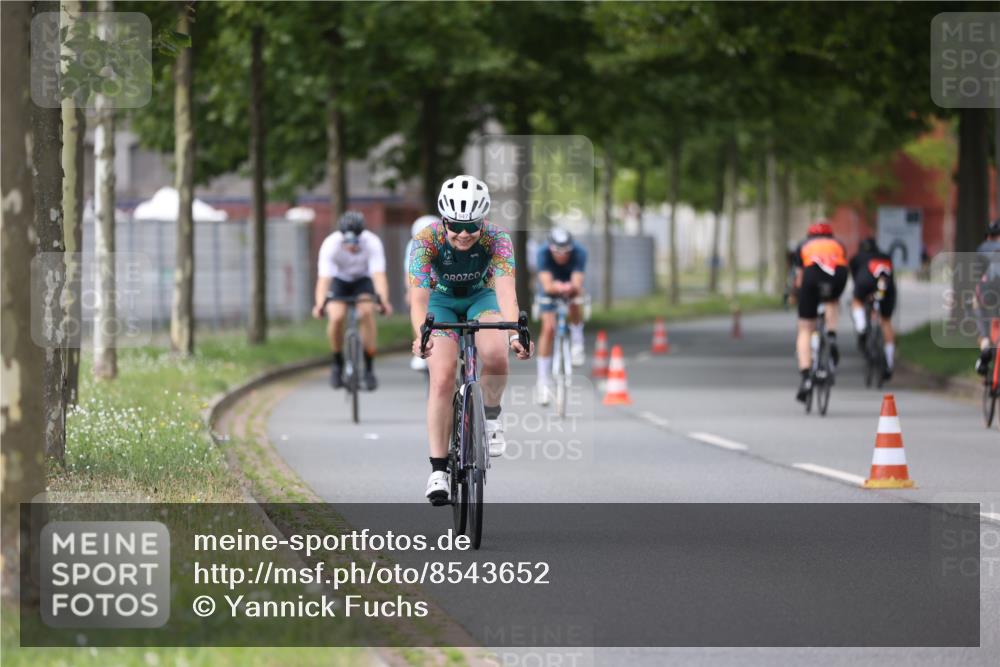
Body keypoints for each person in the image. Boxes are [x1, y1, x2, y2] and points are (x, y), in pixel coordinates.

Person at [407, 175, 532, 504]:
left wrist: (515, 331)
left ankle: (491, 417)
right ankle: (438, 470)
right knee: (443, 377)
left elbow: (506, 292)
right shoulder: (426, 240)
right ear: (444, 220)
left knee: (495, 354)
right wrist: (420, 336)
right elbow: (418, 299)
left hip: (482, 298)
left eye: (472, 226)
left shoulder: (498, 238)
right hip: (440, 302)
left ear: (483, 220)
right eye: (455, 227)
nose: (463, 234)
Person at [312, 210, 392, 391]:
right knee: (336, 317)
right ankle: (337, 362)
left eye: (355, 241)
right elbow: (324, 280)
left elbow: (379, 276)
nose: (352, 246)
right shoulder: (331, 244)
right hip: (340, 281)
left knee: (366, 312)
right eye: (347, 242)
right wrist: (319, 304)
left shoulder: (372, 243)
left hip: (363, 281)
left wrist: (383, 302)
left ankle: (369, 367)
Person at [792, 221, 848, 402]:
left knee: (805, 328)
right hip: (838, 274)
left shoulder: (803, 245)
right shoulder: (838, 244)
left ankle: (806, 376)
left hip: (812, 273)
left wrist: (797, 296)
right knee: (832, 300)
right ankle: (831, 335)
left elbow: (800, 279)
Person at [535, 227, 588, 405]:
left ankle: (577, 341)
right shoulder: (542, 253)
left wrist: (570, 288)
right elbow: (547, 285)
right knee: (548, 329)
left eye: (566, 252)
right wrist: (557, 287)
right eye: (558, 252)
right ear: (551, 248)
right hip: (550, 286)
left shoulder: (580, 252)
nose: (562, 256)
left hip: (570, 284)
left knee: (575, 300)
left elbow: (577, 282)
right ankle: (543, 381)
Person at [849, 237, 897, 380]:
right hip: (886, 285)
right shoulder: (885, 257)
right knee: (886, 321)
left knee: (856, 301)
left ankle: (862, 327)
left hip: (865, 281)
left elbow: (855, 277)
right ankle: (889, 362)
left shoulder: (856, 258)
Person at [405, 214, 440, 372]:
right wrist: (410, 292)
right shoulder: (412, 246)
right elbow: (410, 273)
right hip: (422, 281)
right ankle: (420, 340)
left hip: (441, 282)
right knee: (416, 304)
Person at [973, 220, 1000, 375]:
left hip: (988, 293)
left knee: (976, 302)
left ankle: (985, 343)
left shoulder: (982, 248)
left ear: (989, 236)